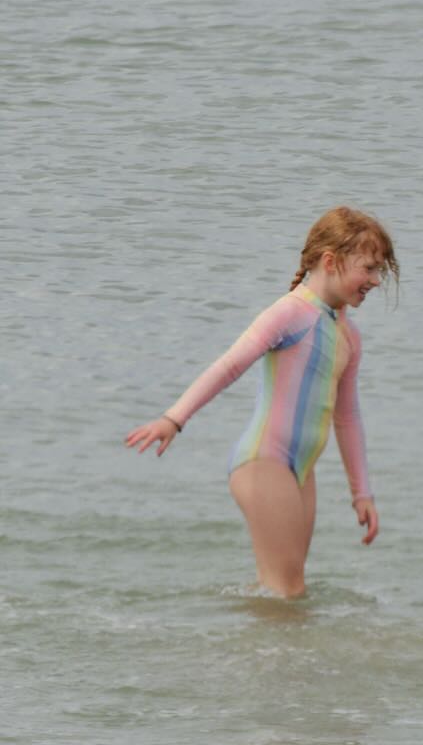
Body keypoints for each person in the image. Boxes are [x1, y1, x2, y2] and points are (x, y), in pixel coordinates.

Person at [125, 207, 399, 598]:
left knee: (282, 591)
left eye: (378, 272)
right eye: (368, 268)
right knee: (288, 591)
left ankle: (256, 654)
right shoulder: (290, 312)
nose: (374, 280)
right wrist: (174, 418)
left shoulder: (349, 336)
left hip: (300, 473)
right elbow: (230, 364)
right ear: (330, 261)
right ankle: (266, 656)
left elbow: (347, 417)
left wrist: (362, 492)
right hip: (264, 462)